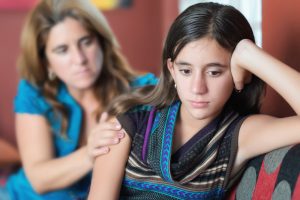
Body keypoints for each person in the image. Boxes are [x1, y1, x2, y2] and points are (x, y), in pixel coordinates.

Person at [88, 2, 300, 200]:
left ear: (239, 74)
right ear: (172, 70)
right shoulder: (131, 125)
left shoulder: (239, 135)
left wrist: (251, 55)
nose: (198, 88)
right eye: (186, 70)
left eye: (214, 72)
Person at [5, 0, 157, 199]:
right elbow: (38, 179)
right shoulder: (34, 91)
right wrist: (89, 153)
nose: (80, 59)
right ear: (46, 62)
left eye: (86, 42)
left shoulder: (142, 90)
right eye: (62, 50)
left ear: (102, 42)